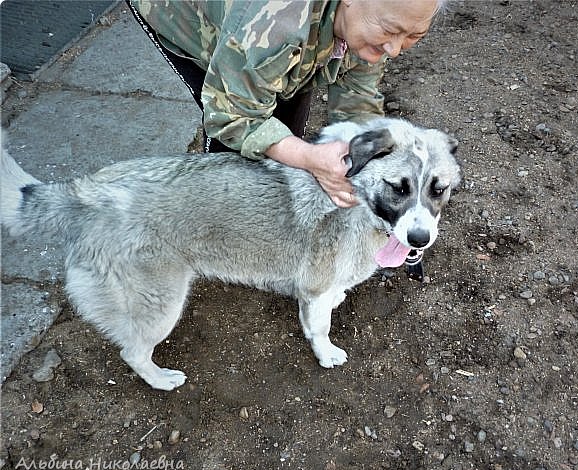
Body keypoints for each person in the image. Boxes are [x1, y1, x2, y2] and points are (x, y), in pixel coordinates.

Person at [127, 0, 445, 279]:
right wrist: (308, 158)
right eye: (391, 30)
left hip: (280, 40)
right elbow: (231, 116)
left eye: (414, 35)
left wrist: (366, 154)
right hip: (184, 14)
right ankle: (210, 237)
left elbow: (357, 95)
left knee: (284, 130)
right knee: (237, 154)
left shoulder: (376, 20)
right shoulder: (273, 23)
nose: (394, 49)